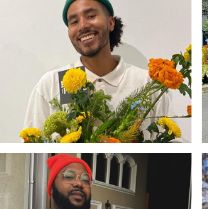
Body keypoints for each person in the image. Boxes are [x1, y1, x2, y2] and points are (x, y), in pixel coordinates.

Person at [24, 0, 171, 131]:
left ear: (111, 23)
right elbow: (32, 141)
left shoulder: (149, 84)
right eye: (74, 21)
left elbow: (168, 139)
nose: (82, 25)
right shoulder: (51, 84)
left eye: (91, 16)